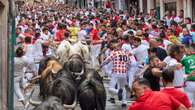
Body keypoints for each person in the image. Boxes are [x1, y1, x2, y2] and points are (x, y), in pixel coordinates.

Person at [100, 39, 131, 107]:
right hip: (124, 73)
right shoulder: (126, 53)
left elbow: (107, 61)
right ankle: (124, 102)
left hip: (116, 73)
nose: (114, 48)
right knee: (122, 87)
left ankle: (118, 92)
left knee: (110, 88)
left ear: (118, 47)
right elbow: (129, 63)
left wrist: (101, 65)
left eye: (115, 47)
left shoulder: (114, 53)